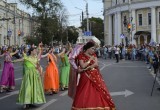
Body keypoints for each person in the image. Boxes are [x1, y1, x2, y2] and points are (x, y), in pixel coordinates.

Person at [72, 42, 115, 110]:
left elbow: (96, 64)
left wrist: (88, 67)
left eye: (94, 49)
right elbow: (82, 65)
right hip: (85, 76)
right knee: (84, 92)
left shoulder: (94, 55)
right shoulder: (81, 55)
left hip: (95, 75)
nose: (93, 50)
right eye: (92, 48)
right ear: (88, 48)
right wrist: (89, 61)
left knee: (98, 91)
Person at [13, 43, 46, 109]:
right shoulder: (27, 58)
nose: (35, 51)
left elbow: (38, 66)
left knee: (33, 88)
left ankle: (31, 102)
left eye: (36, 50)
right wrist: (13, 61)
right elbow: (20, 59)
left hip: (34, 75)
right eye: (34, 50)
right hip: (28, 75)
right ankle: (26, 102)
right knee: (27, 88)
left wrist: (40, 73)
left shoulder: (36, 58)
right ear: (31, 51)